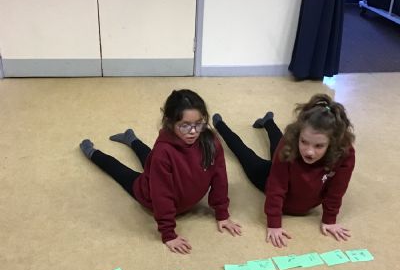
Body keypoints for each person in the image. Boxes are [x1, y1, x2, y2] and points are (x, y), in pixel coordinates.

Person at [80, 89, 241, 254]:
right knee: (120, 170)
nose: (193, 131)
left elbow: (220, 177)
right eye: (185, 125)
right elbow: (161, 195)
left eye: (199, 124)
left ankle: (131, 138)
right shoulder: (163, 152)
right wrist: (168, 233)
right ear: (170, 123)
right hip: (148, 193)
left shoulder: (210, 141)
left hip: (175, 181)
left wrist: (222, 214)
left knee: (149, 157)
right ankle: (92, 152)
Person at [212, 93, 355, 248]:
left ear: (333, 143)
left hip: (294, 174)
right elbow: (276, 187)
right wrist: (274, 224)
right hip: (272, 175)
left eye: (319, 146)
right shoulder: (289, 144)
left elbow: (337, 190)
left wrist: (329, 220)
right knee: (246, 155)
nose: (309, 152)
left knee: (279, 144)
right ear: (298, 135)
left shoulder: (344, 154)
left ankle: (268, 121)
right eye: (304, 141)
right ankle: (220, 125)